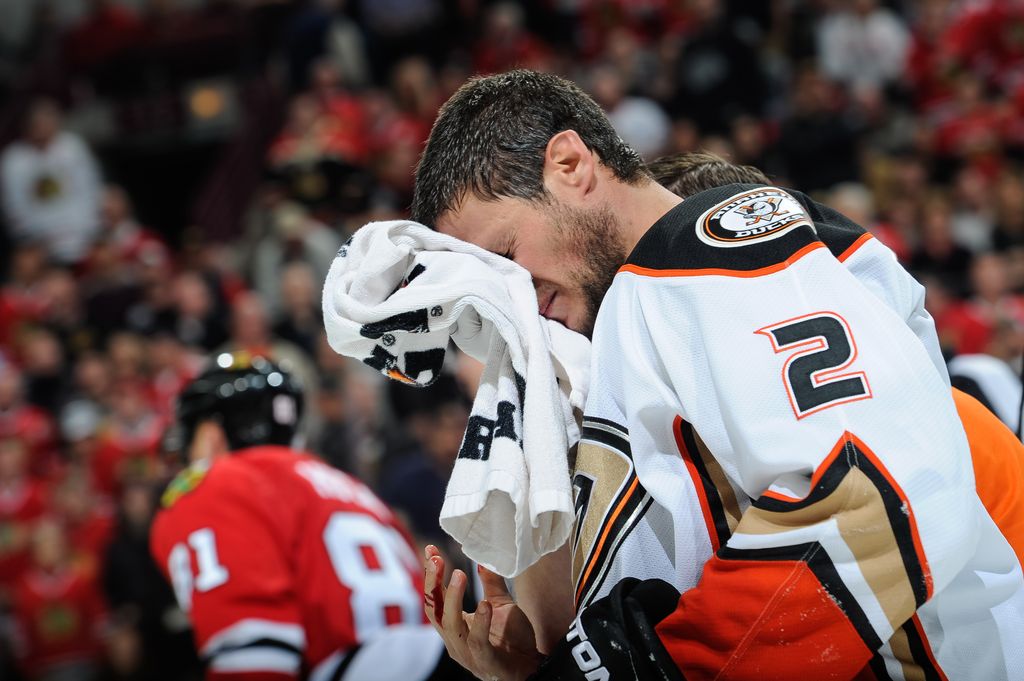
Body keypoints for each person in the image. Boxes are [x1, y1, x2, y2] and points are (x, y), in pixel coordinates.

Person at [410, 71, 1024, 680]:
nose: (514, 301)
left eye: (508, 256)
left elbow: (870, 488)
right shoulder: (605, 358)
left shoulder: (700, 245)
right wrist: (544, 662)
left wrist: (672, 663)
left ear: (571, 164)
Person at [149, 352, 472, 680]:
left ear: (210, 435)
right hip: (444, 657)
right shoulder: (352, 489)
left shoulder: (216, 483)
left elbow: (254, 657)